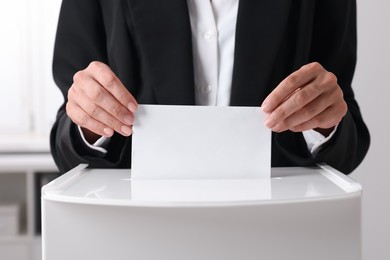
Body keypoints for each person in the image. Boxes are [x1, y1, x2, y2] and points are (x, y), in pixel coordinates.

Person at [50, 0, 370, 174]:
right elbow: (66, 143)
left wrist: (325, 124)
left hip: (275, 234)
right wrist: (91, 125)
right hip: (138, 233)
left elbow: (347, 140)